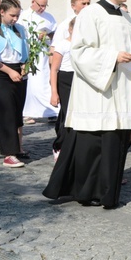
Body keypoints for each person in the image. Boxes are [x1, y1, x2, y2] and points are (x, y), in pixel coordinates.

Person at [43, 0, 131, 209]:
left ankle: (109, 193)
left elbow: (125, 51)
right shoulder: (90, 14)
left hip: (120, 88)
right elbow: (79, 53)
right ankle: (86, 192)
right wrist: (113, 57)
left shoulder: (126, 17)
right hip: (97, 90)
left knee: (115, 141)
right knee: (94, 144)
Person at [0, 0, 29, 168]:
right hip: (0, 74)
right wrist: (9, 71)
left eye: (17, 16)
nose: (15, 19)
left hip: (18, 73)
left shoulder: (20, 29)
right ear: (2, 12)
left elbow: (24, 52)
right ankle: (9, 154)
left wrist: (24, 66)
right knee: (6, 112)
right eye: (12, 16)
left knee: (15, 113)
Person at [19, 0, 58, 123]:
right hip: (30, 53)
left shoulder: (49, 17)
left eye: (44, 6)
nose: (42, 9)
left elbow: (55, 34)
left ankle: (50, 110)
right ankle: (28, 112)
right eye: (40, 5)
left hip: (44, 53)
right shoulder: (24, 16)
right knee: (31, 83)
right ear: (33, 2)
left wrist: (47, 34)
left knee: (45, 81)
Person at [49, 18, 76, 162]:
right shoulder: (63, 44)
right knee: (66, 114)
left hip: (79, 79)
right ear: (71, 29)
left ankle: (72, 148)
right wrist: (54, 92)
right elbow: (54, 69)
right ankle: (59, 145)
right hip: (65, 79)